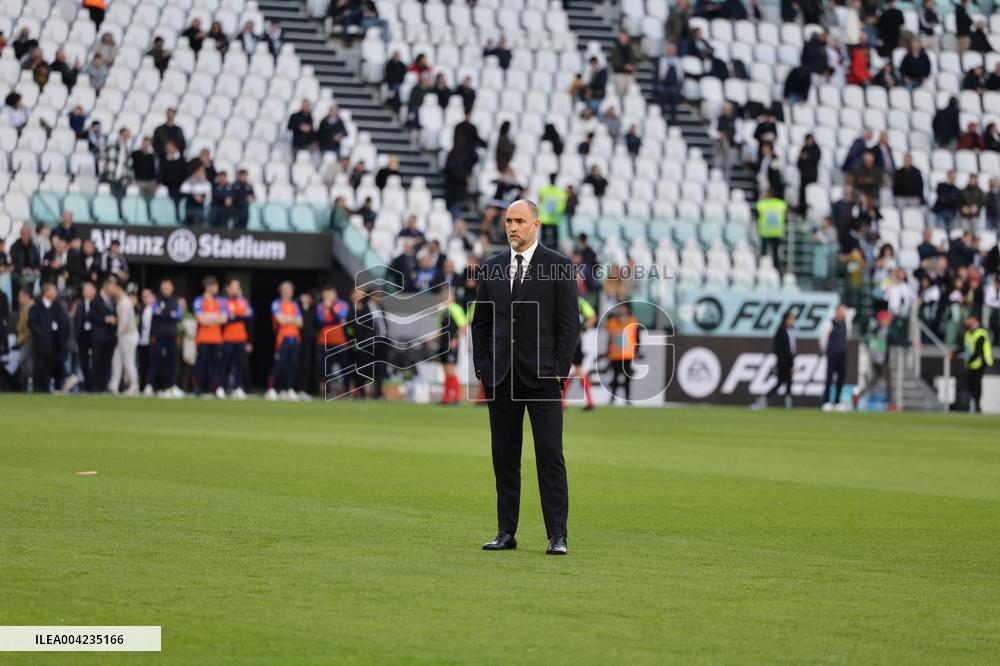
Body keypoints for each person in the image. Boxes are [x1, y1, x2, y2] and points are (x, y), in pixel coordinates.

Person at [470, 199, 579, 555]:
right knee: (504, 457)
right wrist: (482, 369)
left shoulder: (559, 267)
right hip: (501, 378)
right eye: (508, 221)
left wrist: (559, 371)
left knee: (550, 455)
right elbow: (481, 325)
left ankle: (557, 535)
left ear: (536, 225)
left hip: (543, 379)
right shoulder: (491, 268)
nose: (512, 227)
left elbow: (568, 326)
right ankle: (506, 532)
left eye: (519, 221)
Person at [852, 310, 903, 411]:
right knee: (888, 382)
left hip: (874, 359)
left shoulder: (873, 330)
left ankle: (858, 395)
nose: (889, 321)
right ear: (882, 320)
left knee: (873, 382)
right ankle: (890, 404)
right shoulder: (884, 331)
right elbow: (895, 341)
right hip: (882, 360)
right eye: (887, 319)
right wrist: (911, 343)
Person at [266, 281, 303, 401]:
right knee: (279, 363)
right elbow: (281, 320)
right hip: (282, 338)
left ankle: (289, 389)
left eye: (290, 290)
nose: (288, 292)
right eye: (285, 289)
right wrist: (292, 319)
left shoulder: (295, 305)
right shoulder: (277, 303)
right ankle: (271, 389)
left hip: (295, 338)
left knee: (292, 365)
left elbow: (300, 323)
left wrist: (288, 318)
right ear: (281, 291)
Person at [148, 278, 183, 397]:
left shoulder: (176, 301)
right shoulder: (156, 300)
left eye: (168, 287)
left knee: (172, 362)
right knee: (155, 361)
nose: (166, 289)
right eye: (164, 287)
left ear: (172, 288)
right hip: (158, 334)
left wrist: (163, 314)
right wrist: (168, 315)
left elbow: (178, 316)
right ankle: (150, 385)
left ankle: (172, 385)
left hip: (172, 335)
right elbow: (155, 314)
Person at [193, 277, 227, 398]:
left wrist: (209, 317)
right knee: (201, 364)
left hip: (217, 339)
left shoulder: (220, 301)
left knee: (216, 365)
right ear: (208, 286)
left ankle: (216, 388)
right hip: (203, 338)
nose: (216, 288)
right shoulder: (199, 300)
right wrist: (215, 317)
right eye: (215, 286)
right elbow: (200, 319)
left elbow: (224, 318)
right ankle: (198, 388)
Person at [562, 295, 596, 411]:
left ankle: (562, 401)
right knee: (578, 369)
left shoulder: (562, 300)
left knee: (562, 369)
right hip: (577, 339)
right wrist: (583, 329)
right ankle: (590, 400)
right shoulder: (580, 302)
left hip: (566, 339)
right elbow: (592, 317)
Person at [221, 278, 253, 399]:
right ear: (228, 288)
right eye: (234, 286)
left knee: (240, 365)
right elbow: (226, 319)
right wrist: (239, 316)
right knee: (225, 364)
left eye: (238, 287)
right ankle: (222, 388)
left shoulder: (243, 302)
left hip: (241, 338)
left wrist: (249, 341)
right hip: (227, 338)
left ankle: (237, 387)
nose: (237, 289)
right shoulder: (223, 301)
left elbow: (249, 318)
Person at [436, 290, 468, 405]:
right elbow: (441, 328)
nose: (444, 296)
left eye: (446, 295)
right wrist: (433, 337)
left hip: (451, 343)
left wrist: (455, 339)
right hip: (443, 343)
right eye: (443, 295)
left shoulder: (456, 309)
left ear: (452, 297)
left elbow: (463, 326)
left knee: (451, 371)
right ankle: (446, 398)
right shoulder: (442, 310)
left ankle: (455, 398)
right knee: (445, 371)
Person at [108, 281, 139, 395]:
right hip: (123, 336)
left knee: (128, 361)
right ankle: (113, 385)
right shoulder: (122, 301)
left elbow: (124, 323)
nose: (109, 290)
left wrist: (118, 333)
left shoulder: (125, 302)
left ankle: (134, 385)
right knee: (116, 359)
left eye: (110, 287)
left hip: (127, 336)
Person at [606, 301, 639, 405]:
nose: (621, 310)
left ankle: (627, 398)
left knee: (627, 378)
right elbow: (610, 339)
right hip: (615, 354)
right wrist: (608, 351)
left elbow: (637, 337)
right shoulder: (612, 322)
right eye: (619, 307)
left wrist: (637, 350)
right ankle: (612, 398)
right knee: (615, 377)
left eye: (623, 308)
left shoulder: (632, 321)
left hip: (627, 354)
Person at [958, 313, 992, 413]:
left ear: (974, 320)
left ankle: (977, 406)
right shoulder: (968, 333)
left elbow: (978, 351)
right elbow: (964, 347)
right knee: (970, 386)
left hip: (980, 364)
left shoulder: (981, 333)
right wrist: (954, 353)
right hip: (971, 364)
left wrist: (970, 361)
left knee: (976, 386)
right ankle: (969, 406)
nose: (965, 322)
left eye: (968, 319)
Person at [820, 304, 850, 410]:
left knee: (840, 379)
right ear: (837, 312)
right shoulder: (829, 324)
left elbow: (847, 337)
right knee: (829, 378)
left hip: (842, 354)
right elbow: (823, 339)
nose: (844, 313)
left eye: (845, 311)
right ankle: (826, 401)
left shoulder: (847, 324)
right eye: (842, 311)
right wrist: (827, 351)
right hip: (832, 354)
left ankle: (837, 401)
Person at [654, 44, 684, 124]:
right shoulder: (662, 60)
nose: (671, 51)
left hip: (674, 86)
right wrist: (658, 85)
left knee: (675, 97)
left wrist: (679, 86)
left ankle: (673, 121)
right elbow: (657, 74)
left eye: (672, 49)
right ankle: (662, 119)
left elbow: (681, 76)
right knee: (662, 96)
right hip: (664, 85)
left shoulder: (678, 61)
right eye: (669, 49)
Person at [756, 190, 787, 264]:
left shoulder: (762, 204)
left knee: (764, 253)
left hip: (765, 232)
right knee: (775, 253)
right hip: (776, 232)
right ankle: (776, 268)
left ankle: (762, 267)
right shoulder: (781, 204)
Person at [538, 173, 568, 249]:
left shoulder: (543, 190)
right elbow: (563, 205)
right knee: (555, 240)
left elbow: (540, 201)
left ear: (549, 179)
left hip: (545, 217)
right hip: (555, 218)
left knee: (543, 239)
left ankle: (542, 252)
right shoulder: (560, 192)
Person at [609, 29, 637, 99]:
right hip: (619, 74)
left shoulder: (631, 49)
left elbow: (634, 60)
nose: (624, 39)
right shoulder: (615, 49)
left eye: (625, 37)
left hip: (629, 74)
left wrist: (632, 66)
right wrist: (624, 66)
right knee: (620, 94)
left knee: (632, 92)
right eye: (622, 37)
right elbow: (614, 62)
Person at [797, 134, 821, 215]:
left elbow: (816, 159)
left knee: (811, 195)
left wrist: (807, 157)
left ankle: (810, 213)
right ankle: (802, 212)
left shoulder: (816, 149)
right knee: (802, 195)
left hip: (812, 176)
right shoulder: (804, 148)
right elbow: (798, 162)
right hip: (803, 176)